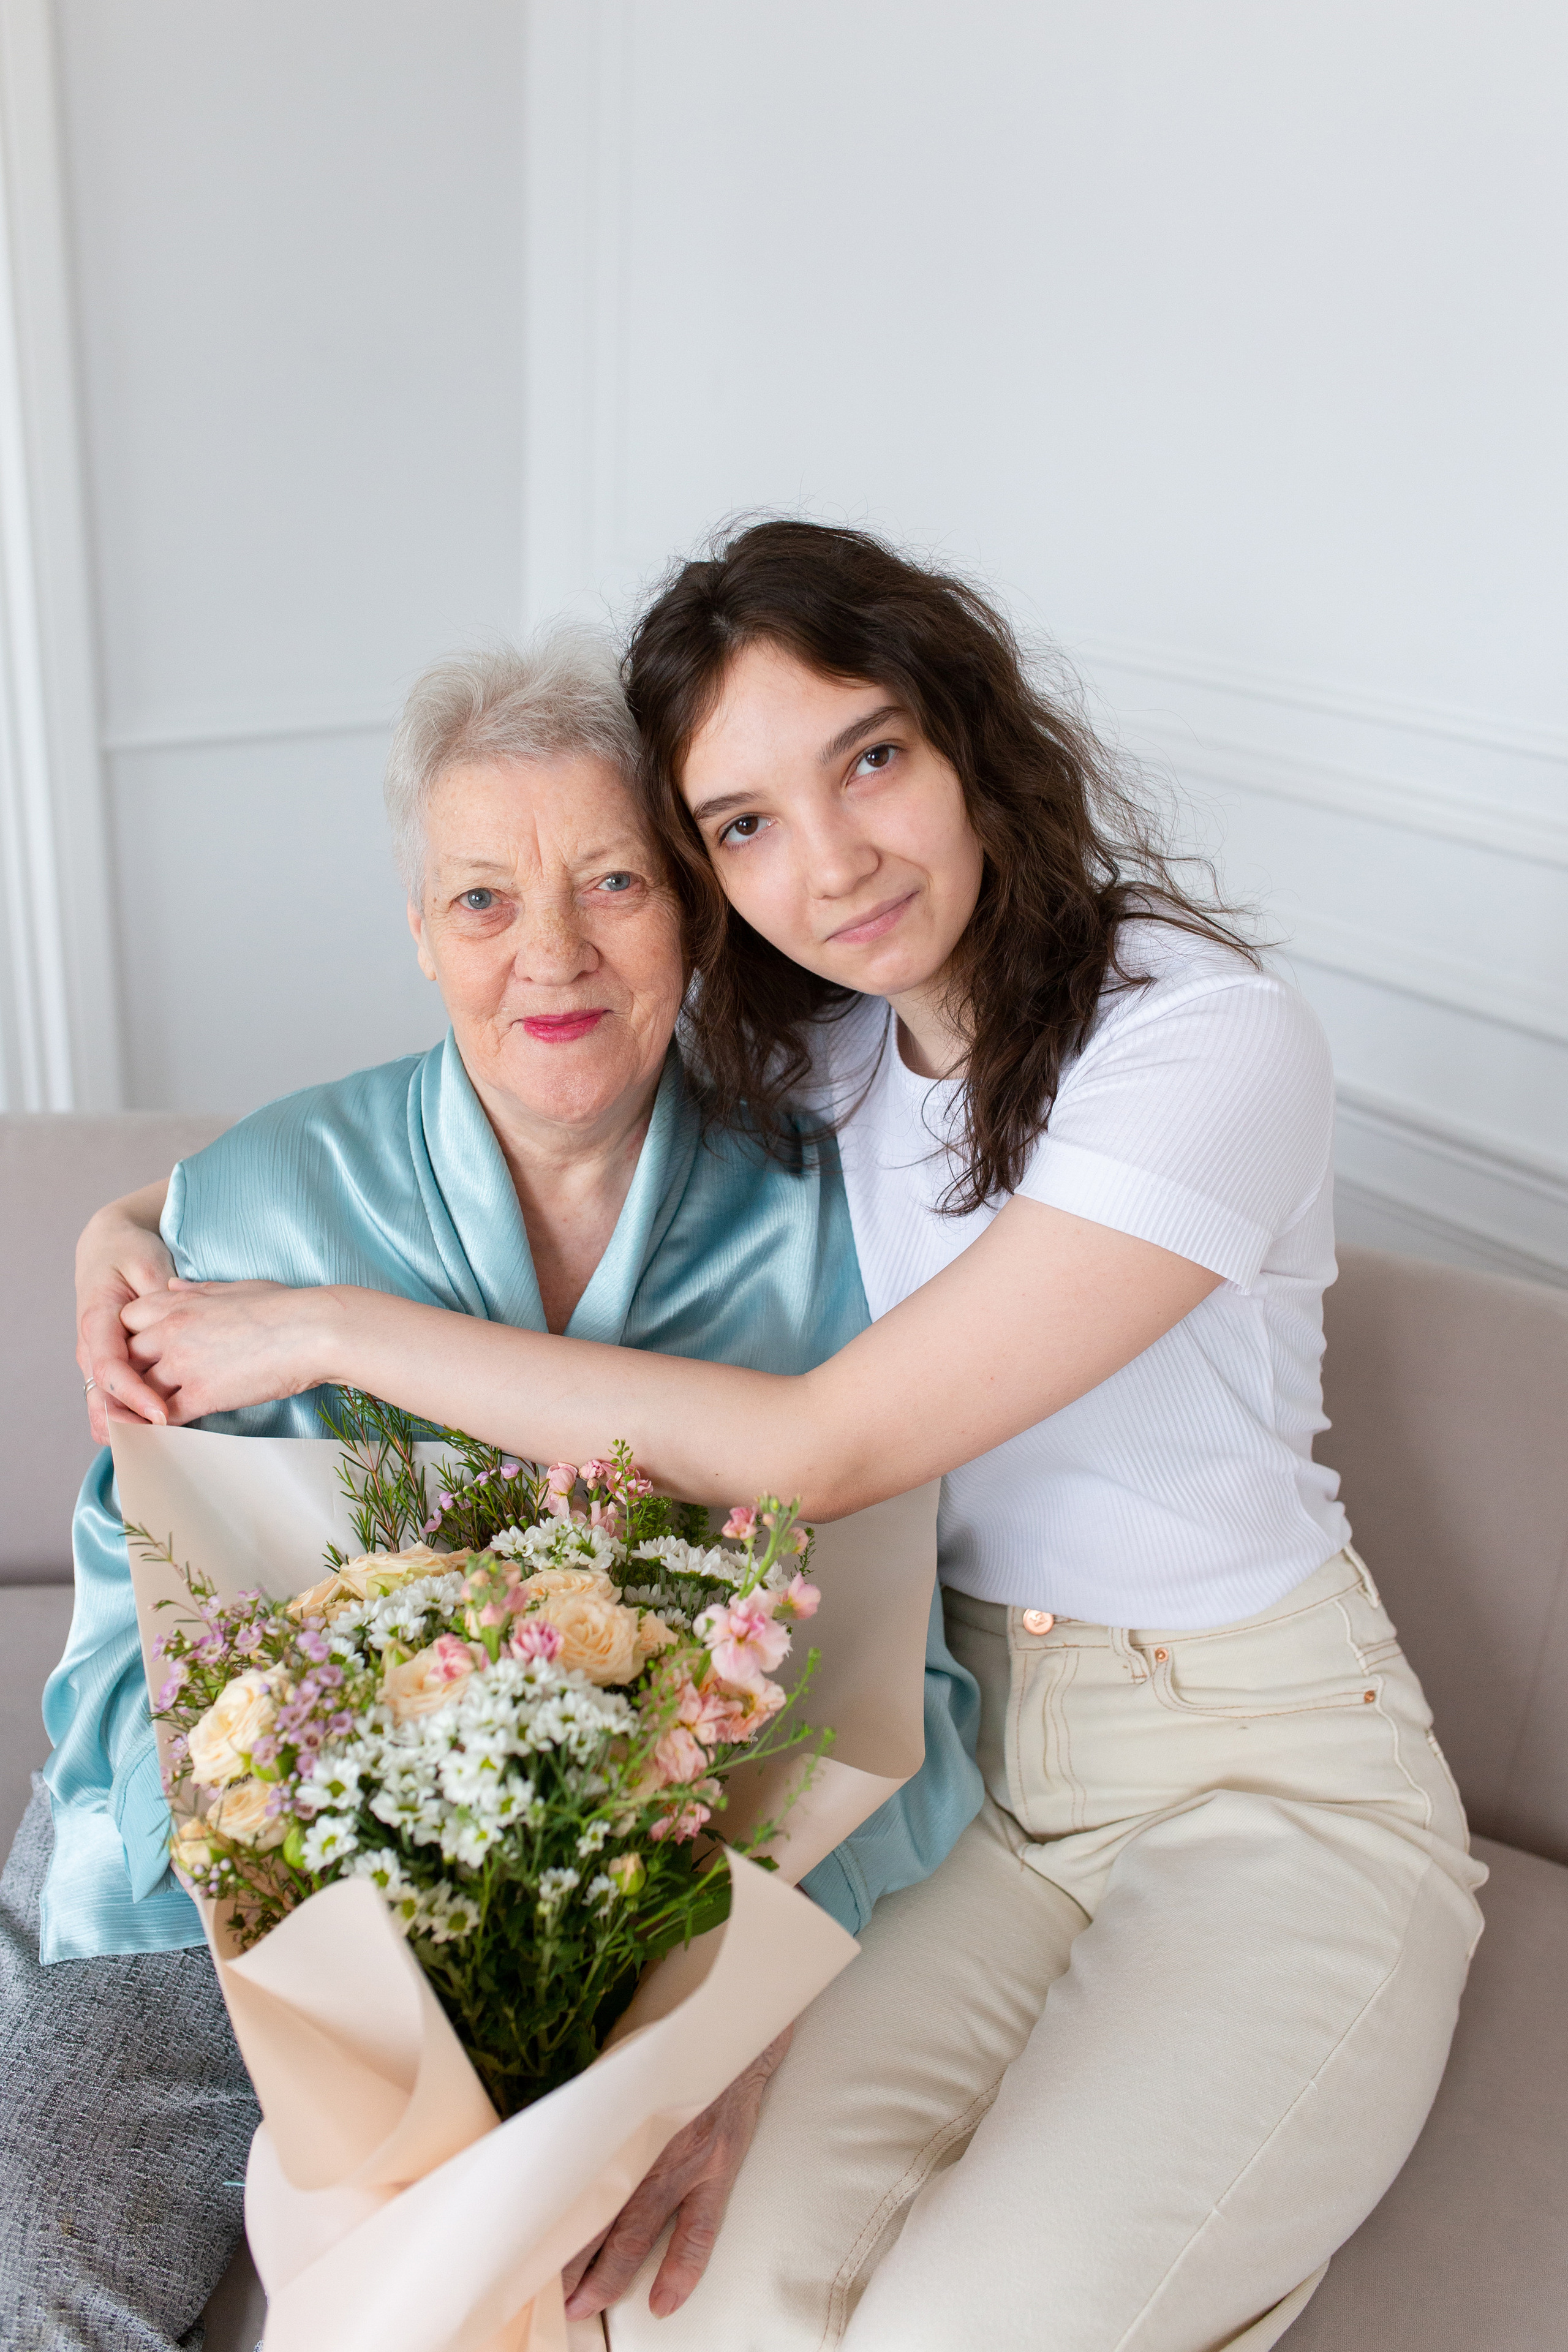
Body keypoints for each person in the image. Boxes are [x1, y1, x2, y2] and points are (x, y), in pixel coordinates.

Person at [94, 522, 1485, 2352]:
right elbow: (462, 1081)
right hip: (986, 1785)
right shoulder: (827, 1063)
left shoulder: (1205, 1045)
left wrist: (328, 1332)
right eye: (743, 823)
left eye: (872, 759)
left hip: (1270, 1769)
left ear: (972, 738)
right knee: (683, 2294)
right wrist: (116, 1238)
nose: (828, 863)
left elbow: (824, 1449)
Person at [6, 624, 982, 2352]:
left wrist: (739, 2005)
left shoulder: (824, 1223)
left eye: (613, 881)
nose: (551, 955)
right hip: (209, 1899)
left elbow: (890, 1667)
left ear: (689, 903)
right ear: (419, 935)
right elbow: (125, 1638)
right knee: (46, 2268)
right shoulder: (261, 1201)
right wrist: (279, 1891)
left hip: (634, 1919)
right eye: (482, 900)